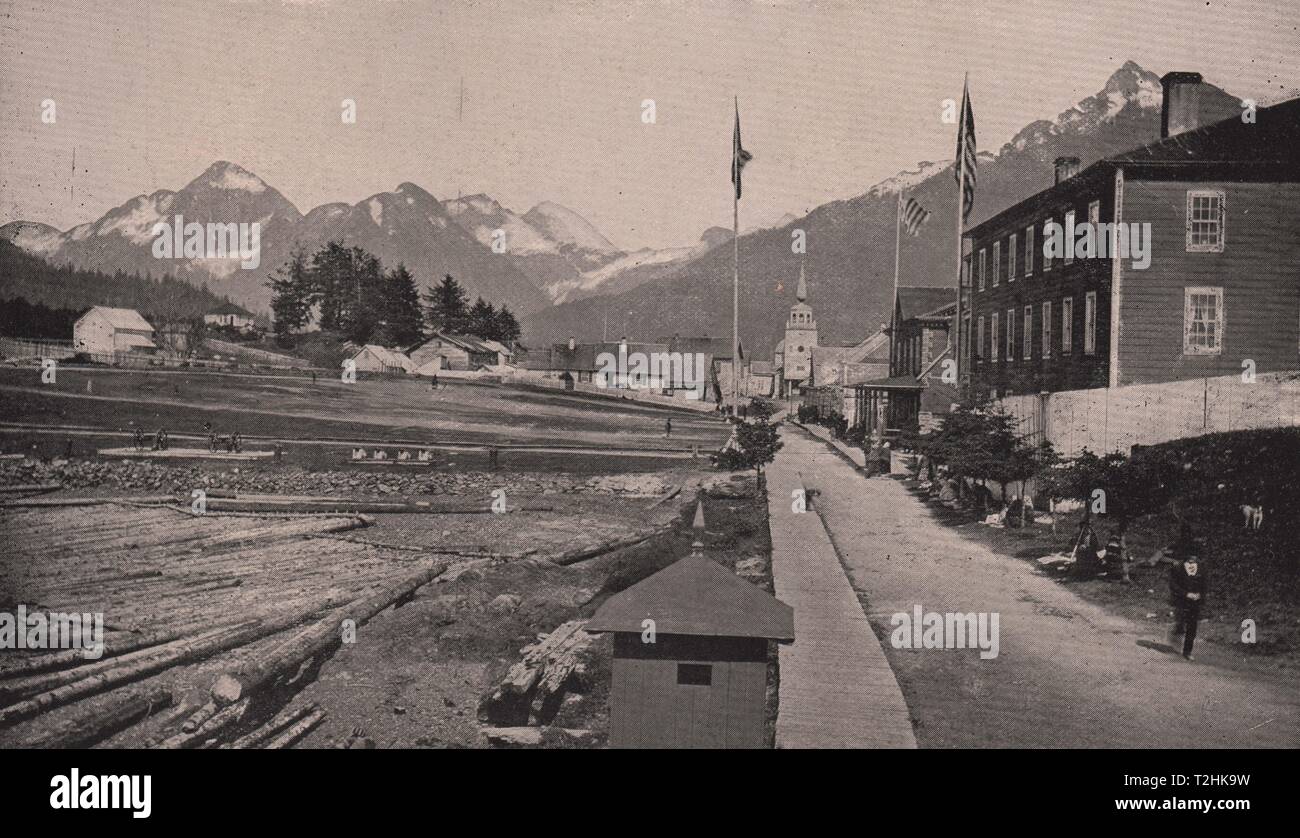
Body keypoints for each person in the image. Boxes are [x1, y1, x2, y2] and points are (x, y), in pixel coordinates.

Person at [1168, 543, 1208, 660]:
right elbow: (1173, 584)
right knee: (1180, 621)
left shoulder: (1202, 569)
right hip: (1181, 600)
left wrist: (1200, 595)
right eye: (1190, 558)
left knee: (1192, 626)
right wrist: (1185, 594)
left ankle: (1187, 651)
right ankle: (1177, 630)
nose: (1192, 561)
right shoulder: (1178, 568)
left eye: (1195, 558)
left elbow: (1204, 585)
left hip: (1195, 602)